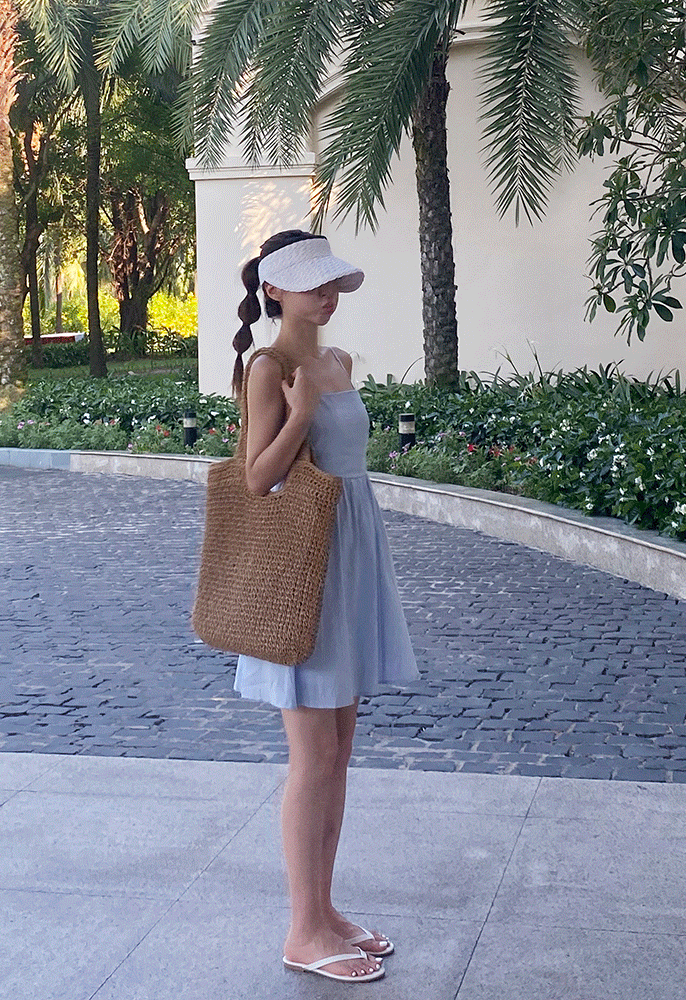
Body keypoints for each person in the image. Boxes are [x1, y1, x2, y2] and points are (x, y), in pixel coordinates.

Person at [231, 229, 420, 983]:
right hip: (306, 568)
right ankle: (302, 930)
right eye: (312, 284)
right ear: (274, 290)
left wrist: (318, 399)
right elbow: (256, 479)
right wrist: (301, 413)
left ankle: (326, 911)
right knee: (312, 757)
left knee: (338, 751)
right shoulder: (268, 368)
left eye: (332, 282)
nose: (327, 296)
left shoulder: (338, 360)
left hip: (352, 557)